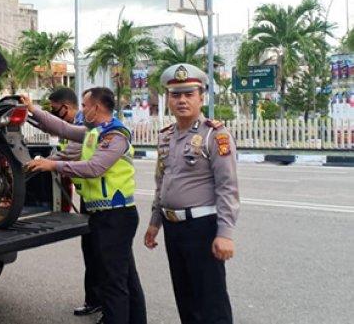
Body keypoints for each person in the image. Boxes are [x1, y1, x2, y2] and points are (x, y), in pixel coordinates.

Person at [23, 87, 146, 324]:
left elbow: (94, 168)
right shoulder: (94, 131)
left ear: (97, 108)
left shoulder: (115, 135)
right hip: (104, 214)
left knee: (113, 283)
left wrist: (53, 165)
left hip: (115, 216)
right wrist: (32, 109)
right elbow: (63, 128)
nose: (83, 110)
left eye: (86, 105)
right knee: (125, 277)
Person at [143, 63, 239, 324]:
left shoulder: (215, 135)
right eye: (175, 95)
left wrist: (225, 234)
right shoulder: (166, 136)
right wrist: (155, 222)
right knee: (186, 301)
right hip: (174, 228)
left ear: (201, 97)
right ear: (167, 99)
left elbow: (228, 187)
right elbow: (161, 182)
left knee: (211, 303)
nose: (182, 100)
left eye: (189, 94)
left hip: (203, 228)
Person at [46, 87, 101, 317]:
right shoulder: (77, 126)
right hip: (89, 198)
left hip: (102, 203)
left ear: (65, 108)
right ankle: (95, 300)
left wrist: (43, 162)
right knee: (91, 251)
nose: (57, 116)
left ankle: (100, 302)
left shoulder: (86, 127)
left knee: (98, 254)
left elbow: (69, 154)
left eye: (55, 111)